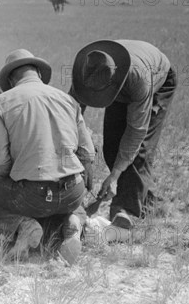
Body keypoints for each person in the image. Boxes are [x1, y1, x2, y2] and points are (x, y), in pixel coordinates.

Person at [0, 49, 95, 264]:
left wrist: (6, 179)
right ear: (37, 72)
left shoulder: (1, 101)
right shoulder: (68, 100)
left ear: (10, 79)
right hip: (73, 190)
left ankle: (24, 226)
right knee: (72, 201)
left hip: (33, 196)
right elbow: (87, 152)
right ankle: (74, 221)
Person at [70, 40, 177, 230]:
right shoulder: (88, 70)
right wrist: (82, 156)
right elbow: (69, 115)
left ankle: (126, 210)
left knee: (141, 148)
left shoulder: (139, 80)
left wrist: (114, 176)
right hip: (121, 84)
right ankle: (148, 202)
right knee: (111, 144)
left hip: (158, 81)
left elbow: (136, 132)